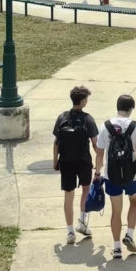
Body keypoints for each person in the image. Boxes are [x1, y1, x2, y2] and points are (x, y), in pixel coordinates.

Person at [95, 94, 136, 259]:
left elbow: (99, 152)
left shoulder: (105, 126)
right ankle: (129, 234)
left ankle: (117, 247)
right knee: (135, 202)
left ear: (117, 106)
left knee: (116, 211)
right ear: (131, 108)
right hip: (132, 174)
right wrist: (133, 153)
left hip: (111, 175)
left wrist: (97, 172)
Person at [52, 85, 99, 244]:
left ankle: (70, 231)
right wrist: (100, 159)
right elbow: (95, 144)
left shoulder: (62, 117)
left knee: (68, 194)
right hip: (83, 160)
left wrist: (55, 161)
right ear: (83, 101)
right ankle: (83, 222)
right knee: (86, 189)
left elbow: (56, 143)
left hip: (65, 161)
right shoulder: (88, 119)